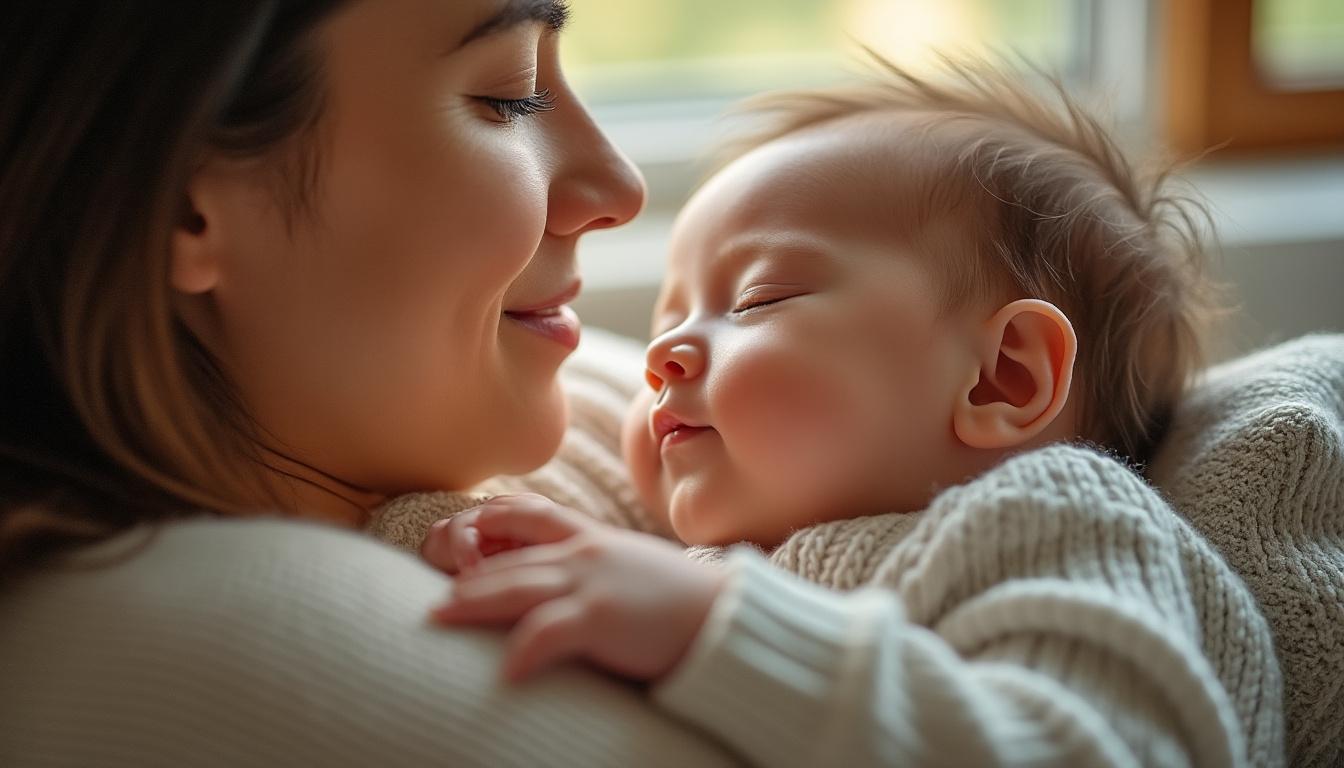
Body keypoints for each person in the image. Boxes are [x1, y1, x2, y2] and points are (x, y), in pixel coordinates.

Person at [417, 60, 1287, 766]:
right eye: (668, 319)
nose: (662, 356)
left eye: (758, 301)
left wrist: (713, 631)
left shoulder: (1055, 522)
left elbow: (1107, 747)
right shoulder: (696, 547)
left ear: (1003, 382)